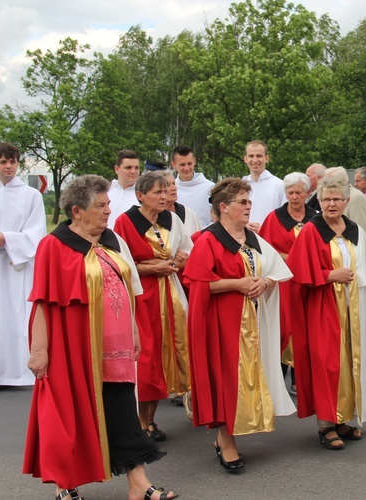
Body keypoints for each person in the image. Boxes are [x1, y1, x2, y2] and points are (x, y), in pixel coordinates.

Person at [23, 175, 177, 500]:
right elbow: (42, 301)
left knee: (123, 415)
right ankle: (64, 485)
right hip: (74, 347)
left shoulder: (110, 239)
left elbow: (127, 285)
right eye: (101, 205)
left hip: (117, 348)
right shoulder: (54, 245)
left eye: (108, 204)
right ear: (77, 211)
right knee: (72, 414)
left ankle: (139, 483)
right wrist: (39, 350)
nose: (108, 210)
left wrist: (133, 328)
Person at [184, 178, 294, 472]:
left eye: (249, 202)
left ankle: (238, 428)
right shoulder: (209, 240)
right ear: (224, 207)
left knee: (246, 376)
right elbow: (199, 283)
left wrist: (264, 281)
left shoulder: (253, 238)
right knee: (225, 379)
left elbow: (277, 270)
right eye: (242, 202)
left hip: (253, 323)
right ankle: (226, 438)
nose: (248, 207)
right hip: (222, 323)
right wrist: (237, 283)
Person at [286, 175, 366, 450]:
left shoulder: (355, 230)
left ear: (347, 201)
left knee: (350, 363)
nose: (331, 204)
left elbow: (365, 274)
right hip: (324, 309)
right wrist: (329, 274)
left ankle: (343, 418)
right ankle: (326, 425)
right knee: (328, 364)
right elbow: (297, 272)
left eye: (337, 199)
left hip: (354, 309)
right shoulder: (311, 231)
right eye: (326, 199)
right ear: (318, 202)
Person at [114, 172, 193, 442]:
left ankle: (150, 420)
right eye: (157, 192)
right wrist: (150, 267)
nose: (163, 197)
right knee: (146, 358)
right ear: (140, 195)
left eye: (166, 191)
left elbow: (187, 252)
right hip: (143, 298)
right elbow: (120, 264)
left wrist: (180, 259)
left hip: (170, 295)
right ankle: (138, 422)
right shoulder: (125, 222)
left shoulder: (172, 219)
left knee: (165, 356)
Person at [258, 172, 317, 391]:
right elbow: (264, 248)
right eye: (290, 192)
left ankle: (300, 381)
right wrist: (291, 258)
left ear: (307, 194)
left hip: (307, 282)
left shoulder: (316, 217)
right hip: (283, 284)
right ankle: (277, 382)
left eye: (298, 193)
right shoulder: (274, 218)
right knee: (282, 330)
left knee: (306, 331)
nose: (294, 197)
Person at [0, 142, 46, 386]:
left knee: (15, 318)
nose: (9, 166)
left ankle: (16, 371)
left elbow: (37, 233)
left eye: (13, 161)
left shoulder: (31, 195)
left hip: (16, 266)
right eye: (3, 162)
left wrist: (6, 239)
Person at [324, 166, 366, 254]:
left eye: (327, 182)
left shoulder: (356, 197)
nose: (325, 186)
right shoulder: (342, 196)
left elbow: (361, 233)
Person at [242, 140, 286, 230]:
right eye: (251, 156)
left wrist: (266, 229)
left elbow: (285, 217)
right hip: (244, 237)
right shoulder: (240, 186)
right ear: (245, 159)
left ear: (266, 158)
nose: (255, 160)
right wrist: (244, 226)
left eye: (259, 156)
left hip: (270, 238)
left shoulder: (280, 185)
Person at [171, 145, 214, 228]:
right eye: (182, 164)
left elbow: (217, 218)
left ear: (194, 161)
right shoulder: (170, 189)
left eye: (189, 163)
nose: (186, 168)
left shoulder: (211, 188)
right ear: (173, 164)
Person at [160, 171, 201, 237]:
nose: (174, 188)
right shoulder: (152, 216)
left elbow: (199, 241)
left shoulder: (189, 214)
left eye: (174, 183)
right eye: (167, 185)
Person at [108, 149, 141, 229]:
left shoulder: (143, 196)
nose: (133, 171)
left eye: (136, 168)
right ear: (117, 169)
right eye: (128, 168)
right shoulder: (106, 191)